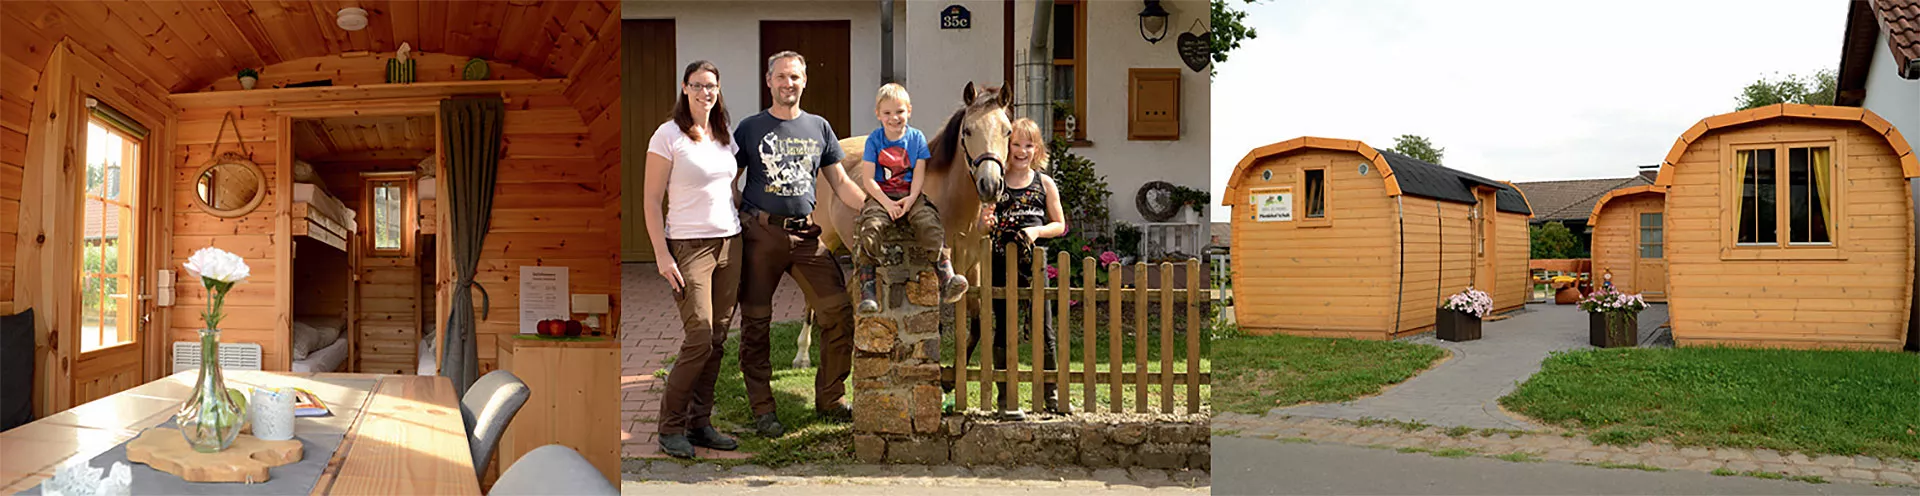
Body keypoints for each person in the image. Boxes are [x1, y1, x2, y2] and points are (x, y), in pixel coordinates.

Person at [733, 51, 869, 437]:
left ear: (804, 81)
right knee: (756, 324)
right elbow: (730, 177)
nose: (787, 83)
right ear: (769, 80)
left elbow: (841, 183)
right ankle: (763, 409)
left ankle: (830, 398)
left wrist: (879, 207)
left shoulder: (819, 128)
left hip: (807, 236)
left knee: (838, 313)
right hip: (762, 236)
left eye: (794, 77)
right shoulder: (750, 128)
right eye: (781, 77)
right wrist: (744, 215)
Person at [645, 61, 743, 458]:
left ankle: (700, 423)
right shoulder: (667, 136)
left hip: (730, 244)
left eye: (712, 86)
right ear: (685, 88)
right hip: (688, 247)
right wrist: (661, 254)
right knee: (699, 335)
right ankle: (670, 427)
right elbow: (651, 200)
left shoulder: (722, 133)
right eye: (699, 85)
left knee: (717, 340)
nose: (706, 92)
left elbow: (729, 189)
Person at [966, 117, 1069, 416]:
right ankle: (1006, 396)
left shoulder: (1044, 183)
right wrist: (985, 223)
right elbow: (982, 226)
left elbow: (1060, 225)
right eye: (1016, 145)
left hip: (1034, 264)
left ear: (1037, 150)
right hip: (1001, 263)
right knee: (1004, 328)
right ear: (1006, 147)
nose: (1022, 151)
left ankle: (1051, 394)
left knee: (1043, 329)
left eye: (1028, 145)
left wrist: (1036, 232)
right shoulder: (996, 184)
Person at [851, 83, 967, 314]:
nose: (894, 118)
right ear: (878, 114)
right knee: (871, 228)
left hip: (911, 195)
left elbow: (919, 174)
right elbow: (868, 180)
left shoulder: (915, 138)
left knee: (929, 223)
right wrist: (887, 203)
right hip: (880, 197)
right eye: (887, 113)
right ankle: (868, 286)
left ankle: (946, 274)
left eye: (900, 112)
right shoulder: (875, 140)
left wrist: (911, 199)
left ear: (909, 111)